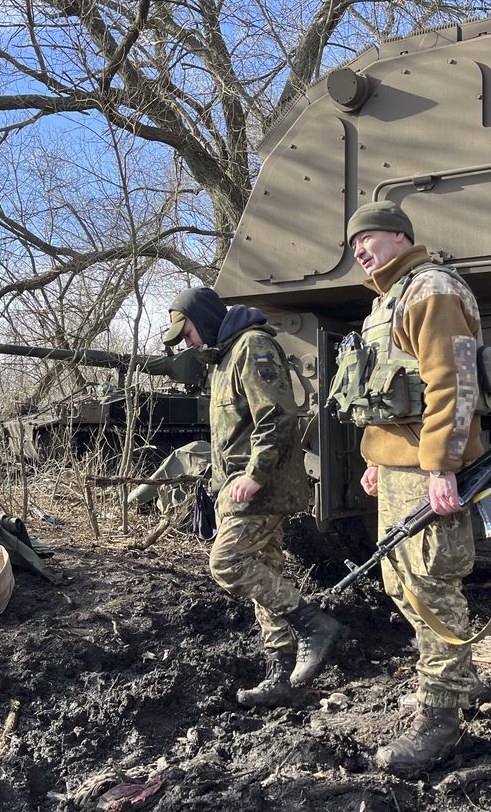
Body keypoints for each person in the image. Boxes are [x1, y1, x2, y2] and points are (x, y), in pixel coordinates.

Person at [343, 200, 485, 773]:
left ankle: (441, 717)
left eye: (368, 237)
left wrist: (441, 464)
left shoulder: (431, 289)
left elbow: (452, 381)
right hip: (400, 467)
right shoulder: (388, 300)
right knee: (400, 583)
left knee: (431, 587)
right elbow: (382, 394)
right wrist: (376, 457)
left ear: (400, 236)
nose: (359, 249)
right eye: (353, 243)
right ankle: (453, 680)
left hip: (427, 468)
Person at [163, 287, 342, 707]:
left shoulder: (252, 347)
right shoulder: (223, 358)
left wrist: (255, 475)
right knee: (265, 574)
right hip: (237, 489)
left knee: (226, 563)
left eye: (187, 333)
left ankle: (314, 624)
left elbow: (277, 416)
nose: (187, 343)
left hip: (259, 489)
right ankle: (280, 673)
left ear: (203, 320)